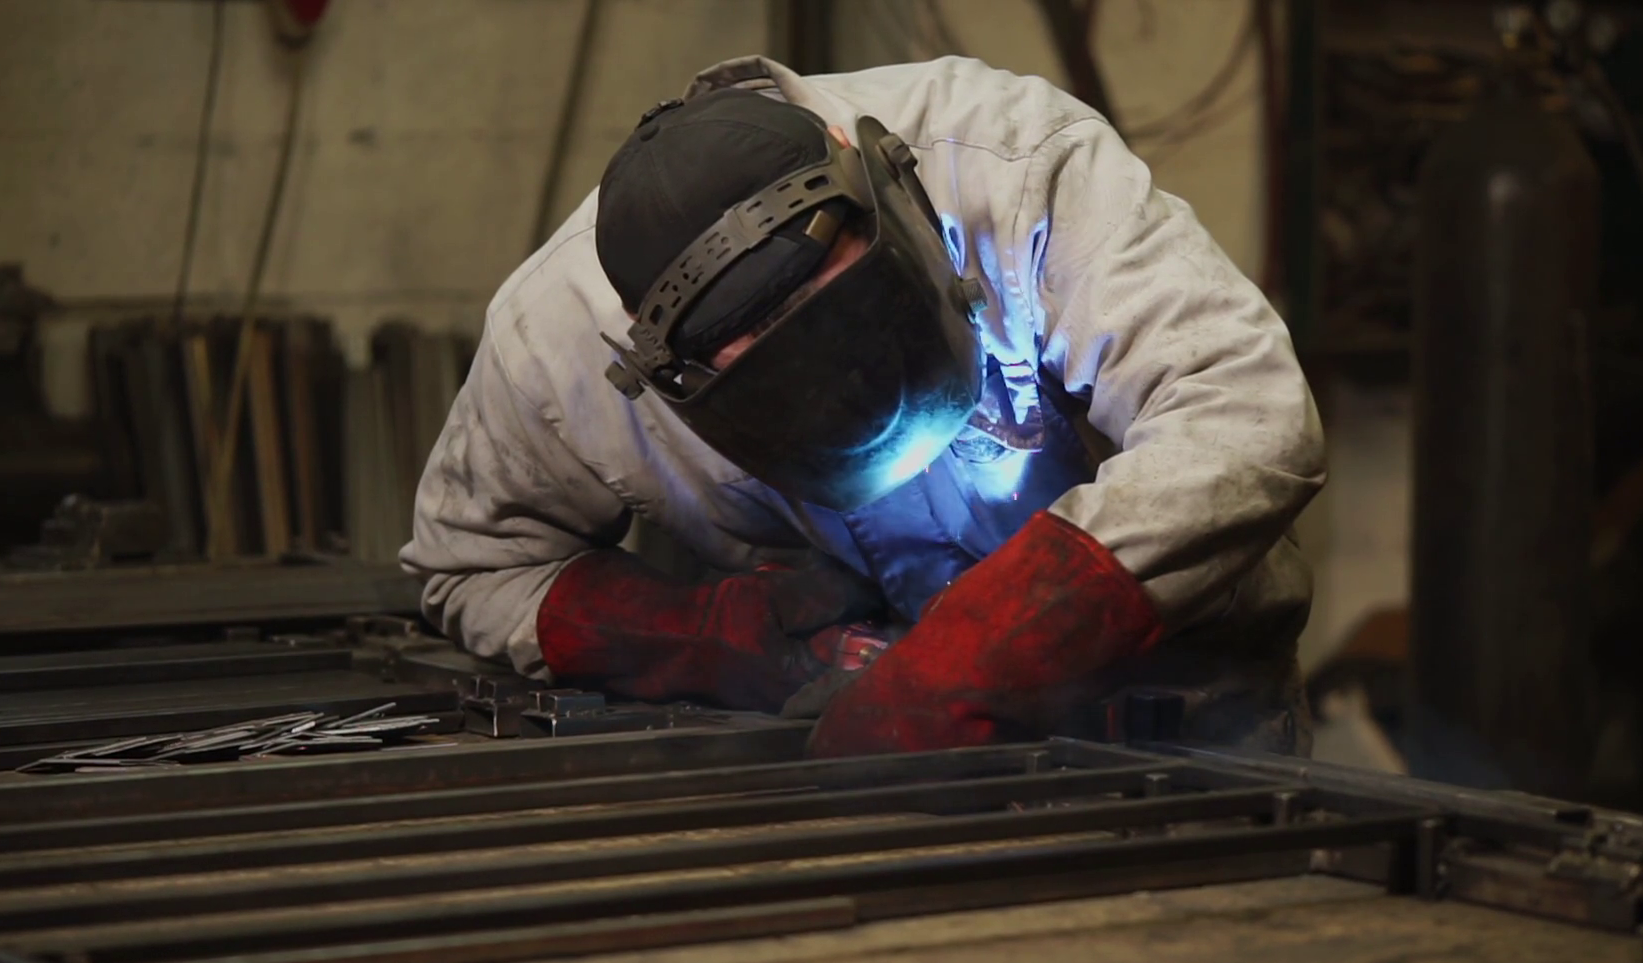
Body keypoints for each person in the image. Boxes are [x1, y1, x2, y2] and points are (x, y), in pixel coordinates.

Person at [401, 55, 1324, 757]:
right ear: (666, 364)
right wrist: (707, 638)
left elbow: (1244, 413)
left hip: (1188, 707)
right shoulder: (552, 346)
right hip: (852, 750)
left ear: (879, 185)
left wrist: (983, 648)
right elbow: (472, 567)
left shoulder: (1012, 163)